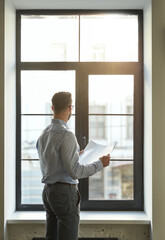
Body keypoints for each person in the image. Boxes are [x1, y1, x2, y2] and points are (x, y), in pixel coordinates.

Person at [36, 91, 110, 240]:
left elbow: (53, 162)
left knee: (52, 237)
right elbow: (75, 172)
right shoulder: (67, 134)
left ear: (52, 108)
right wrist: (100, 164)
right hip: (64, 193)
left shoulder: (43, 134)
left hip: (48, 193)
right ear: (70, 108)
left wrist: (77, 155)